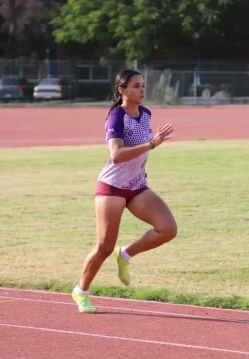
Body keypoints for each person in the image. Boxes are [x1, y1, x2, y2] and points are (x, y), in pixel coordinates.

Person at [71, 68, 178, 313]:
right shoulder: (116, 117)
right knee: (104, 247)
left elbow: (141, 149)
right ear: (122, 90)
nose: (142, 90)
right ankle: (81, 291)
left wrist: (151, 144)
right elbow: (116, 155)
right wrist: (152, 144)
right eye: (136, 86)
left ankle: (126, 254)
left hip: (137, 185)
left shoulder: (146, 114)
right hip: (112, 187)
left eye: (143, 85)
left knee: (168, 229)